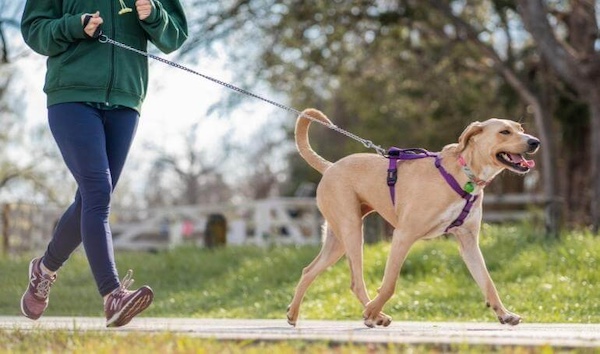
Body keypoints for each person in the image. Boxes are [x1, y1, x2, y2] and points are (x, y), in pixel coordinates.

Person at [20, 0, 188, 327]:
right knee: (98, 192)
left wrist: (154, 15)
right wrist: (73, 26)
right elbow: (34, 30)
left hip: (126, 100)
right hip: (71, 96)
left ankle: (44, 269)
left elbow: (175, 35)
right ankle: (112, 295)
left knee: (90, 198)